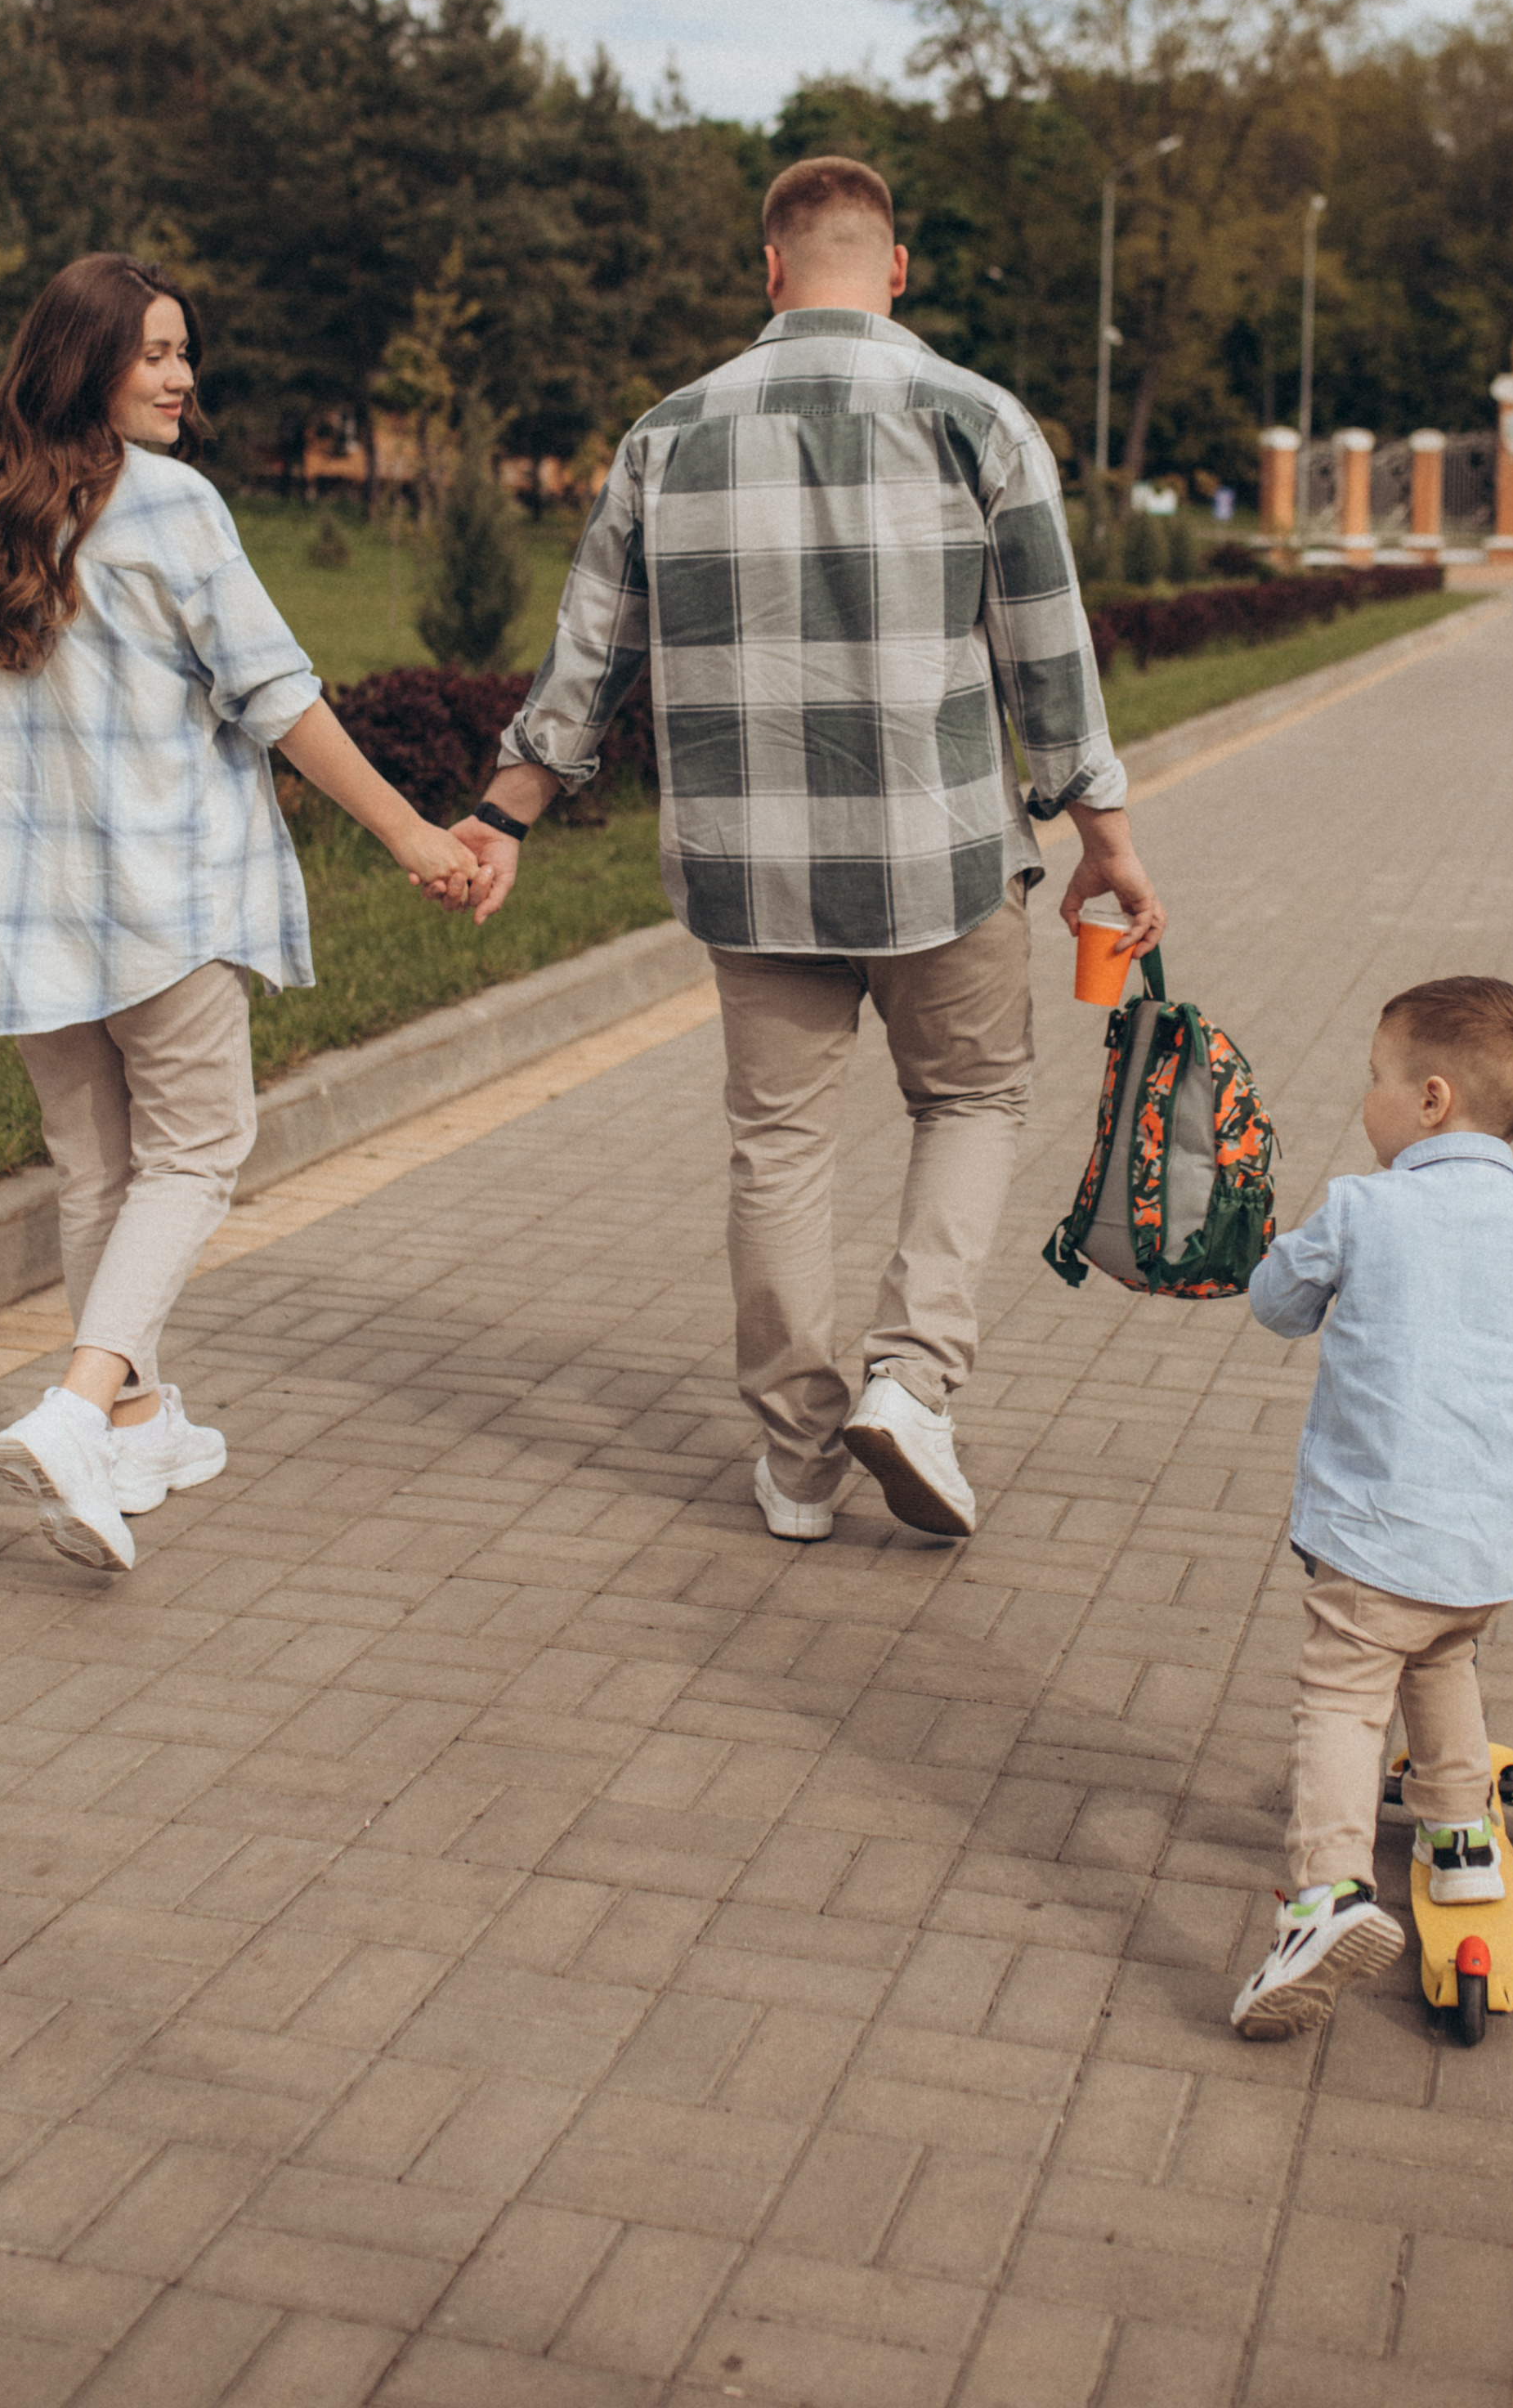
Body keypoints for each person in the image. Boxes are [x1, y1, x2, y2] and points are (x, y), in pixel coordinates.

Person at [440, 156, 1164, 1544]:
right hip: (942, 855)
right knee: (970, 1104)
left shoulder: (668, 433)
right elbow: (1049, 661)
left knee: (778, 1145)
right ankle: (913, 1382)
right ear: (895, 269)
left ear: (770, 270)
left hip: (749, 866)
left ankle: (797, 1459)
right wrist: (1103, 837)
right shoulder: (981, 419)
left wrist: (507, 813)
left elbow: (590, 656)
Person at [0, 255, 481, 1575]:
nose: (182, 376)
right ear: (82, 361)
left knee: (100, 1169)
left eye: (184, 352)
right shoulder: (167, 508)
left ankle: (136, 1421)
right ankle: (83, 1407)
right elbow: (278, 695)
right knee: (199, 1151)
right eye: (153, 351)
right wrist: (412, 834)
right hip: (160, 897)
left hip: (17, 914)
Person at [1229, 975, 1513, 2040]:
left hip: (1377, 1541)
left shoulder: (1363, 1208)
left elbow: (1276, 1305)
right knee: (1443, 1659)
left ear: (1428, 1101)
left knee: (1341, 1698)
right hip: (1498, 1549)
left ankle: (1326, 1894)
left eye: (1373, 1078)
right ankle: (1462, 1840)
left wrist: (1288, 1251)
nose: (1363, 1099)